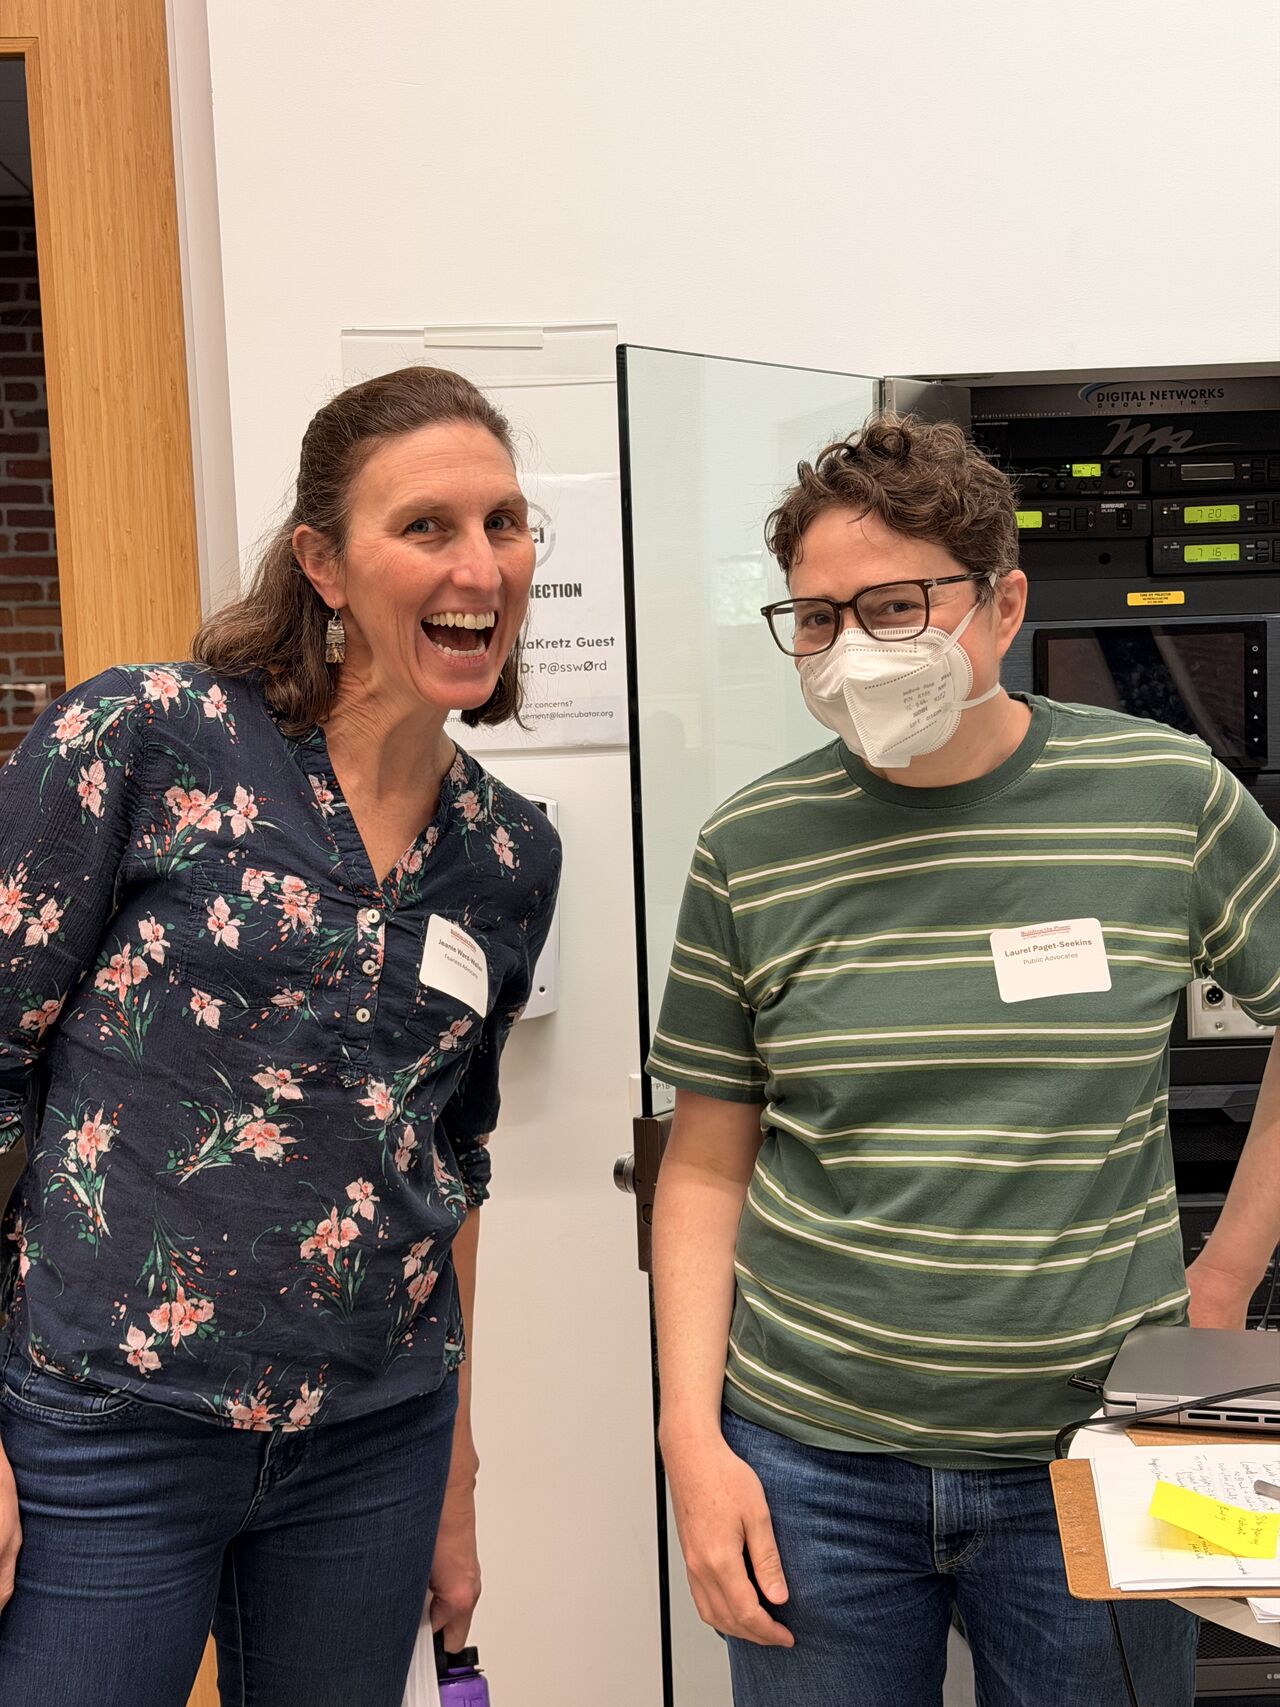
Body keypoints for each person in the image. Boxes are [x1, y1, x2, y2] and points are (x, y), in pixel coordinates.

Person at [648, 413, 1280, 1707]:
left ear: (1003, 604)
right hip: (808, 1464)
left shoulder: (1168, 797)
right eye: (816, 619)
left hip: (1103, 1442)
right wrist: (690, 1442)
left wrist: (1221, 1292)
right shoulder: (749, 847)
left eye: (892, 605)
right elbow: (706, 1164)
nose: (846, 650)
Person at [0, 365, 561, 1706]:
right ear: (322, 562)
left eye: (505, 521)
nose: (477, 564)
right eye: (425, 525)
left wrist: (457, 1477)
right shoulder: (144, 740)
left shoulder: (508, 853)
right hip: (105, 1421)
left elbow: (452, 1161)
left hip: (374, 1442)